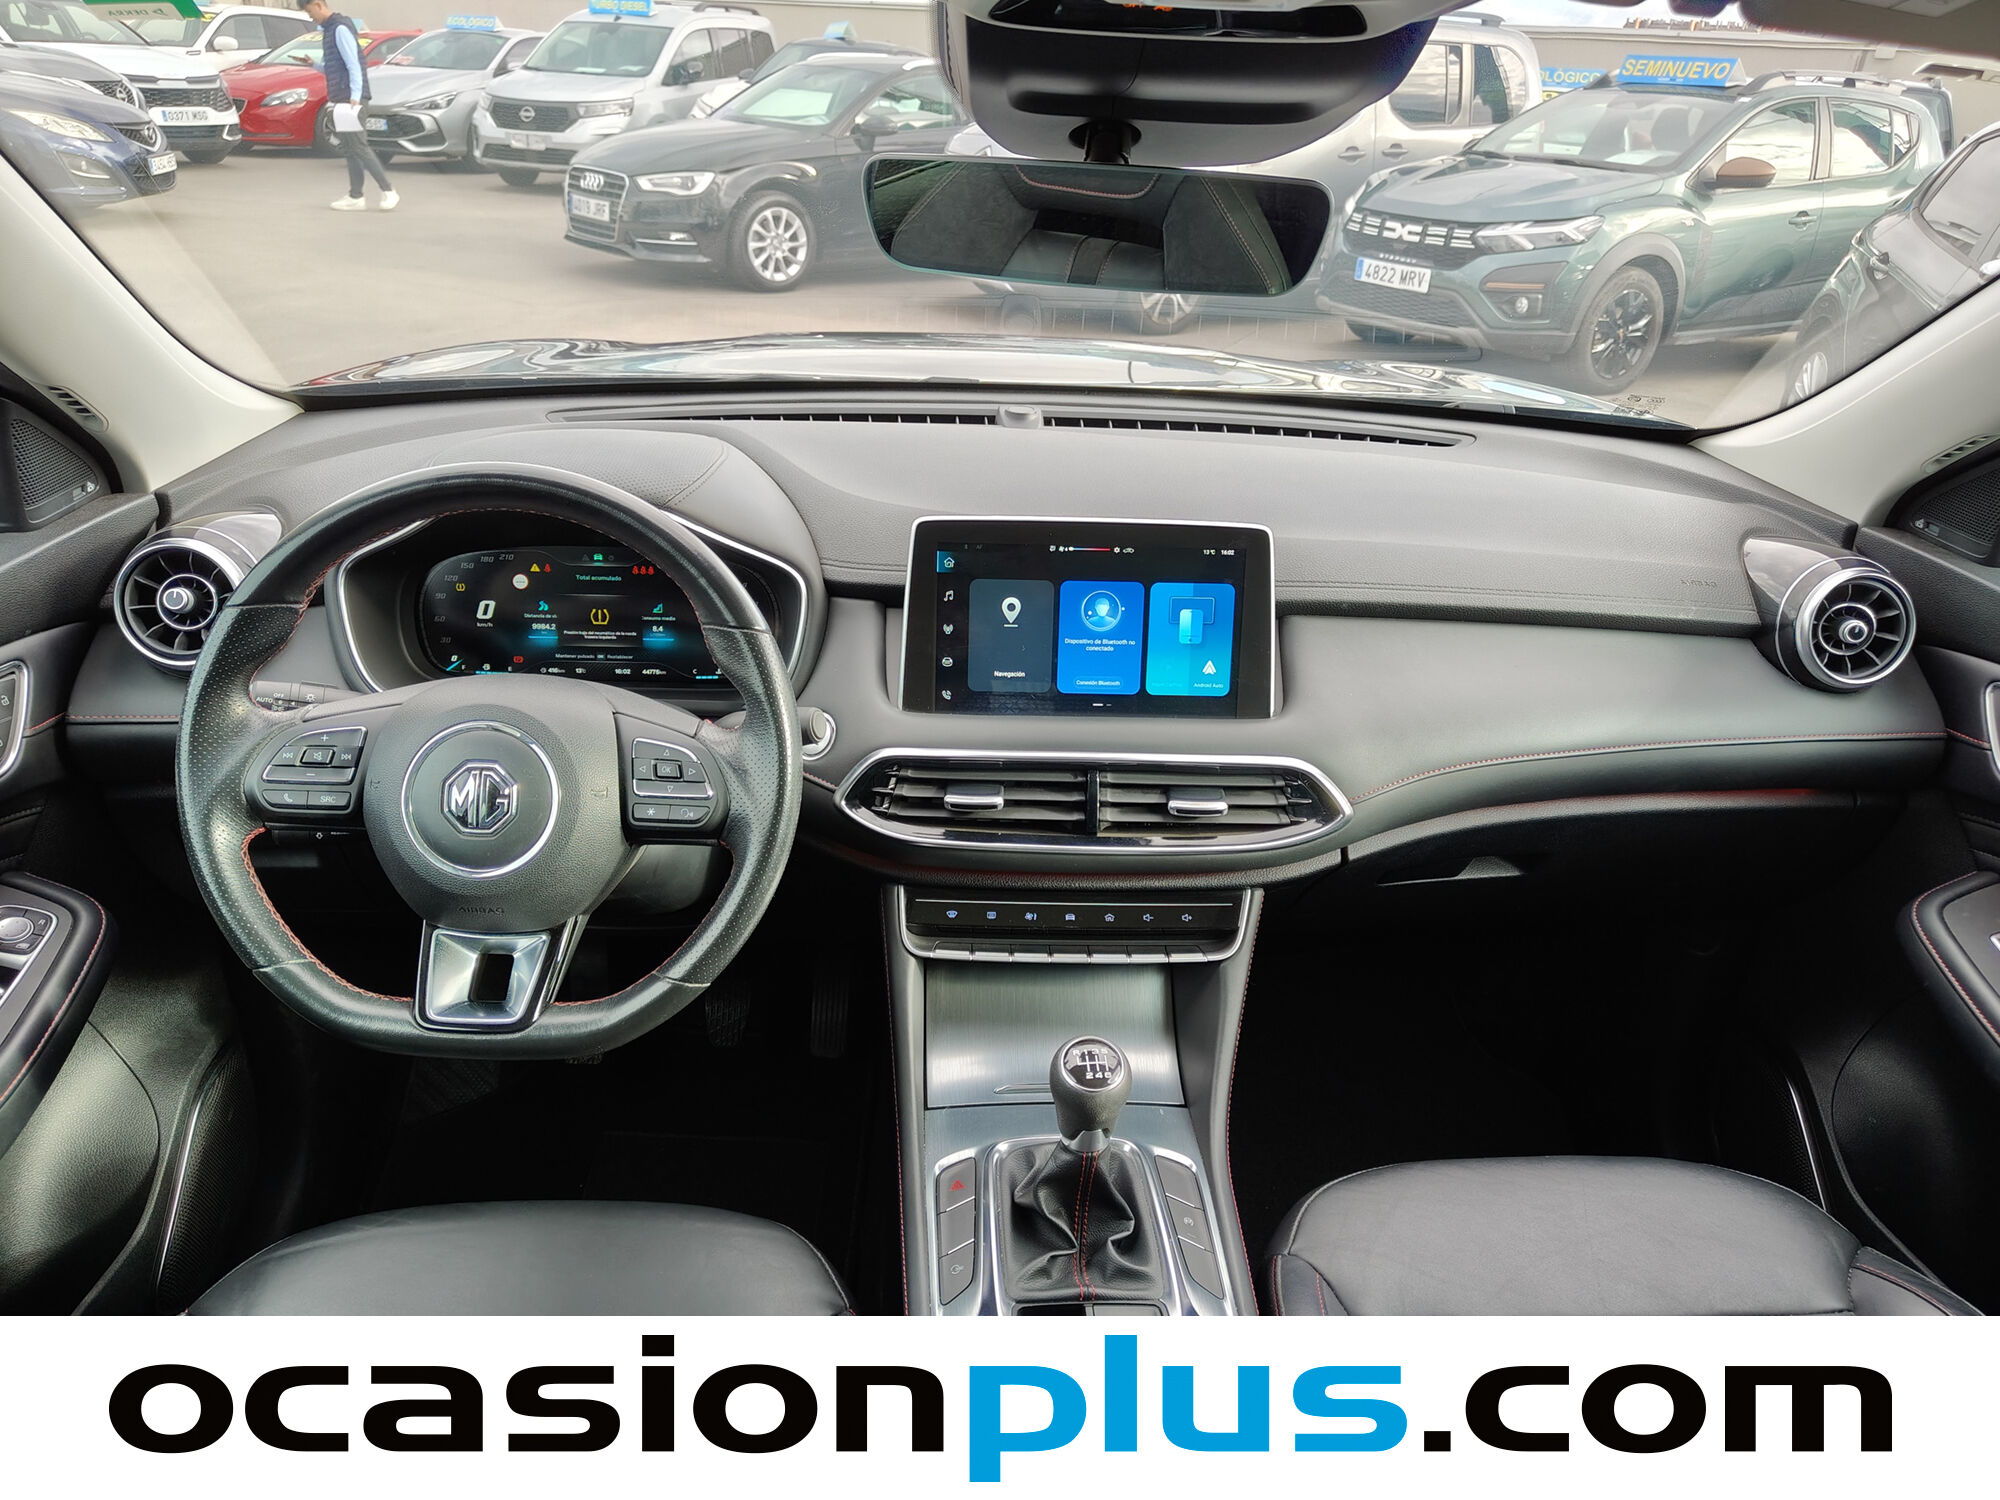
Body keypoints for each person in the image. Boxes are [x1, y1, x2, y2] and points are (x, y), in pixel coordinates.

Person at [300, 0, 396, 212]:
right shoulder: (330, 29)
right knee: (351, 149)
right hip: (342, 97)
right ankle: (356, 196)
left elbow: (353, 64)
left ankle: (388, 190)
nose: (310, 16)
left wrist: (355, 96)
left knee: (359, 146)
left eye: (309, 11)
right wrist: (314, 65)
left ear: (318, 4)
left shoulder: (340, 28)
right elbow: (336, 68)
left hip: (351, 99)